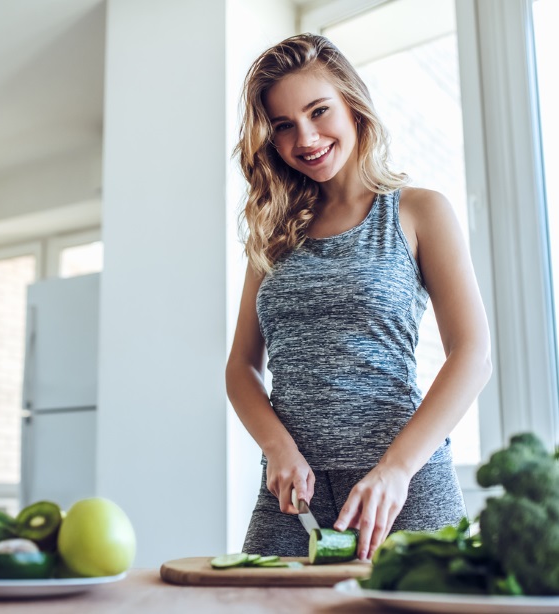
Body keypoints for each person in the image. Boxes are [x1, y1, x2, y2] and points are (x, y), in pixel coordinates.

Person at [225, 33, 492, 562]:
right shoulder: (271, 233)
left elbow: (473, 354)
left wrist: (395, 470)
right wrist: (277, 449)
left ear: (353, 105)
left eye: (318, 111)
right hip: (292, 498)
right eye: (282, 125)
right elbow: (241, 368)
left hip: (404, 489)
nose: (305, 137)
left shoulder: (418, 212)